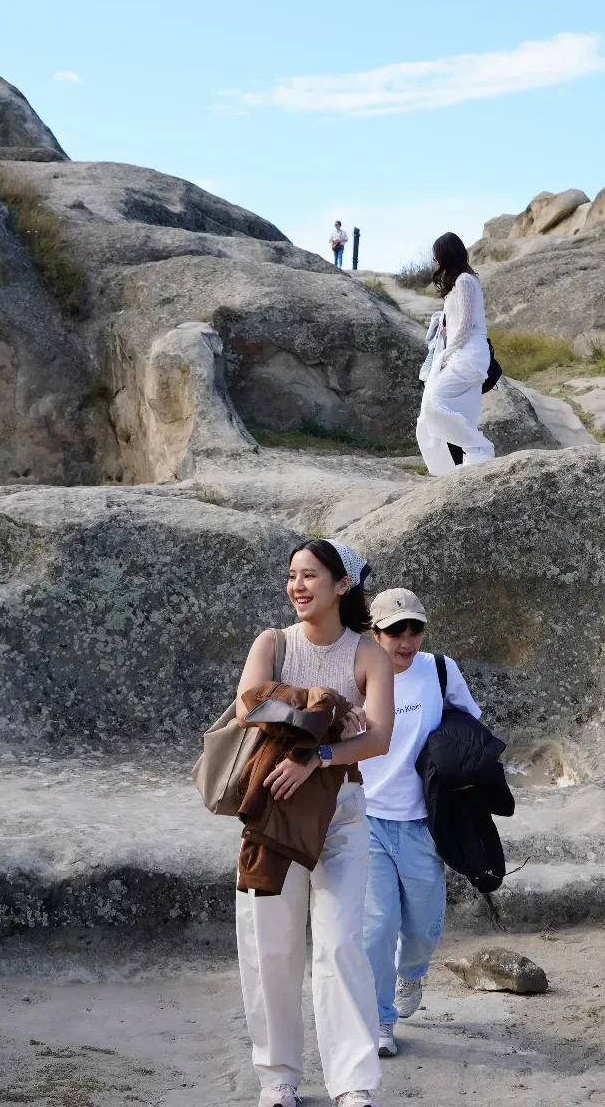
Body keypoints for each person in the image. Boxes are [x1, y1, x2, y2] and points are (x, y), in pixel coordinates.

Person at [234, 539, 396, 1107]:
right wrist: (321, 701)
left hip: (343, 813)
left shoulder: (368, 653)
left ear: (341, 585)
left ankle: (352, 1082)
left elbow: (378, 737)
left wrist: (317, 756)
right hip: (275, 811)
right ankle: (278, 1076)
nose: (297, 587)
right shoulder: (274, 642)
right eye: (292, 576)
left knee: (340, 945)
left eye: (310, 576)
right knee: (271, 947)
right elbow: (249, 704)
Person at [359, 587, 482, 1059]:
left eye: (414, 628)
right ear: (375, 632)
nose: (406, 639)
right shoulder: (359, 672)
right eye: (394, 630)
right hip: (366, 817)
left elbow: (471, 725)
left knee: (424, 926)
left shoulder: (440, 669)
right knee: (376, 926)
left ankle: (412, 972)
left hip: (424, 822)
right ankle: (380, 1020)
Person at [414, 232, 494, 475]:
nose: (435, 261)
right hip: (465, 352)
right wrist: (446, 330)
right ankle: (472, 453)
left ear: (446, 255)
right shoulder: (460, 282)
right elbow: (463, 322)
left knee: (433, 405)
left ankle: (480, 447)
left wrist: (447, 354)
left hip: (470, 354)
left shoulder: (465, 282)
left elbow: (468, 324)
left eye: (437, 256)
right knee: (448, 409)